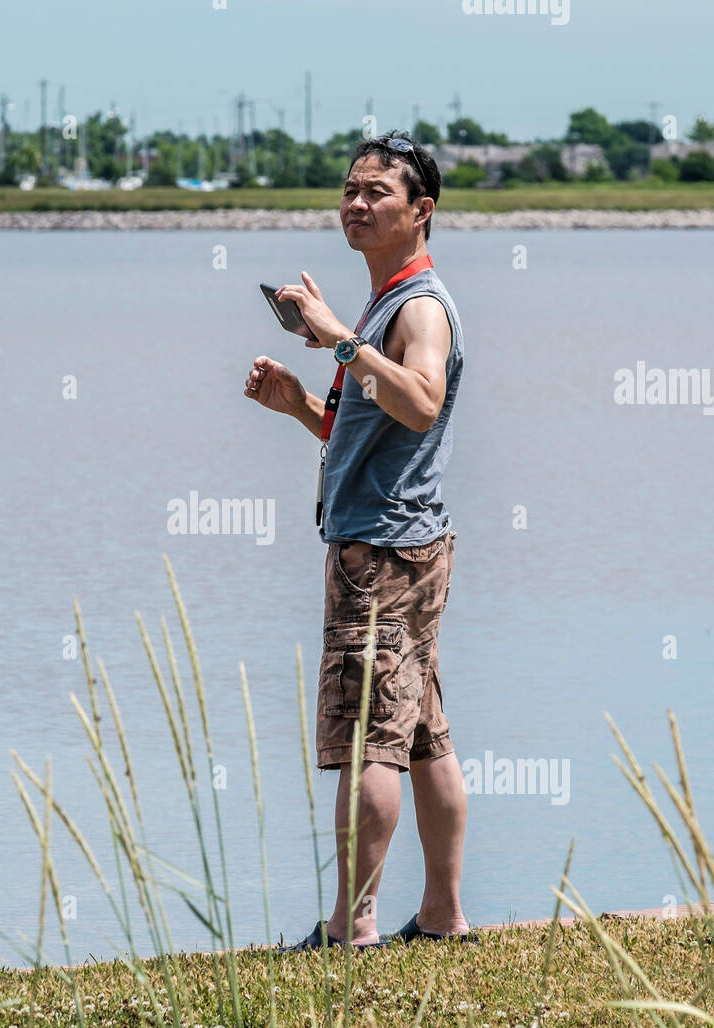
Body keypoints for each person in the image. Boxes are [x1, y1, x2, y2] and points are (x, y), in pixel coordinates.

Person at [243, 130, 477, 950]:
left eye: (378, 192)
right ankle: (444, 915)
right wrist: (301, 402)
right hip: (400, 540)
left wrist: (342, 338)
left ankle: (354, 926)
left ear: (423, 210)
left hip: (380, 553)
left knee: (365, 739)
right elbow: (367, 430)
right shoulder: (386, 308)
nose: (357, 203)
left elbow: (420, 400)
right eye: (350, 190)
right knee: (419, 732)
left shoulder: (416, 307)